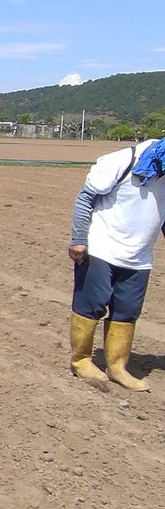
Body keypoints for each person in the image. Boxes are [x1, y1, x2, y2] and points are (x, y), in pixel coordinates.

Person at [68, 138, 165, 391]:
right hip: (102, 248)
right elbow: (85, 199)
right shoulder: (122, 161)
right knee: (90, 305)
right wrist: (79, 239)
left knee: (127, 310)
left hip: (139, 256)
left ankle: (117, 367)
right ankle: (82, 361)